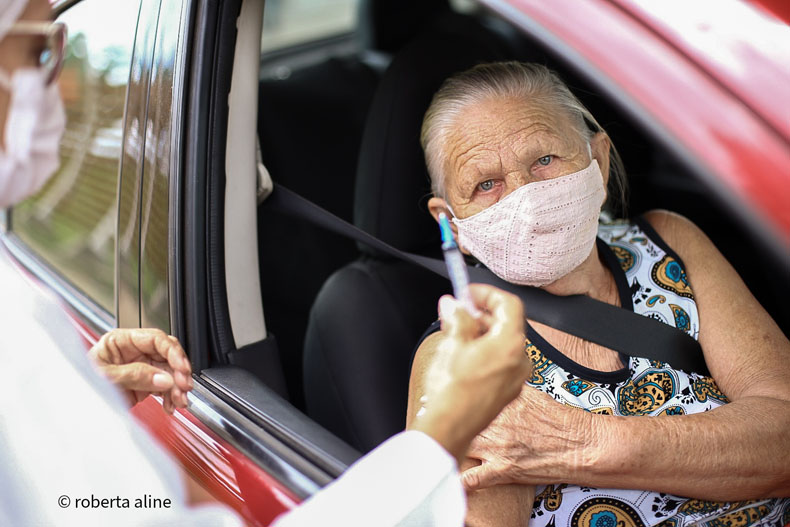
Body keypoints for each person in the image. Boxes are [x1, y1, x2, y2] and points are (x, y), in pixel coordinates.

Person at [0, 3, 533, 525]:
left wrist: (82, 395)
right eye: (36, 53)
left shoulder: (27, 345)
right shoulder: (17, 348)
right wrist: (441, 434)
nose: (65, 90)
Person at [409, 61, 790, 527]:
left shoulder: (668, 244)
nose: (525, 197)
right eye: (487, 184)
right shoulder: (462, 353)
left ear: (599, 160)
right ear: (451, 223)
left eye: (544, 159)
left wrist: (581, 442)